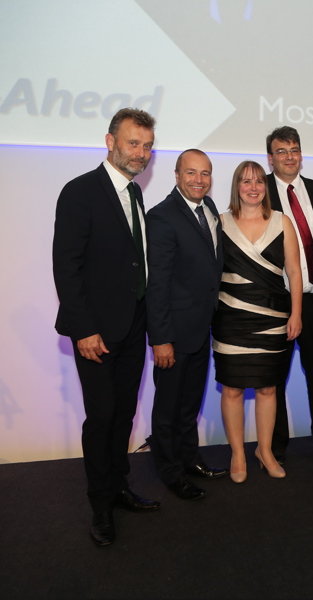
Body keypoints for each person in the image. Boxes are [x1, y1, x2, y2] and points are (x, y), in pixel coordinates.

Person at [53, 108, 160, 546]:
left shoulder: (135, 195)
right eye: (133, 143)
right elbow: (67, 267)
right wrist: (83, 329)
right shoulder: (80, 192)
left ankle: (118, 487)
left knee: (124, 416)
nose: (141, 153)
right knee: (101, 418)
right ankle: (100, 506)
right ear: (110, 141)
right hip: (96, 332)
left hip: (134, 326)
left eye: (148, 146)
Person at [145, 149, 229, 501]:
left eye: (205, 173)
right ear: (176, 175)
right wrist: (161, 338)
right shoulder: (162, 217)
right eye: (191, 172)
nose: (199, 179)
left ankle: (190, 458)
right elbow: (157, 284)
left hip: (201, 328)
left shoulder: (208, 209)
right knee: (167, 409)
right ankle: (170, 472)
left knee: (189, 404)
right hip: (174, 334)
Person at [212, 161, 303, 482]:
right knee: (233, 389)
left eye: (259, 182)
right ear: (237, 186)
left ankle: (264, 451)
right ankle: (238, 453)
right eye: (246, 182)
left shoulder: (283, 222)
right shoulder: (218, 222)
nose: (253, 188)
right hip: (230, 320)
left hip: (274, 320)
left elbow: (294, 272)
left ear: (266, 187)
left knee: (268, 388)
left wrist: (296, 314)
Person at [265, 126, 313, 462]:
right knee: (275, 376)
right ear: (270, 159)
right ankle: (276, 444)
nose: (289, 156)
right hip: (278, 299)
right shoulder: (257, 191)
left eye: (294, 149)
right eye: (281, 151)